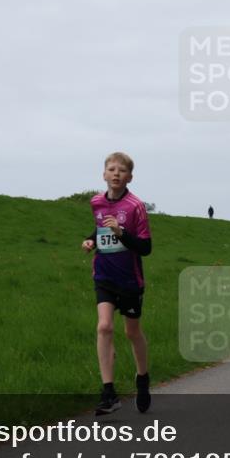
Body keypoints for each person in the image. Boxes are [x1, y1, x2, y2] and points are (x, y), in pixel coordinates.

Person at [81, 152, 153, 415]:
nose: (115, 174)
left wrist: (122, 234)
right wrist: (91, 240)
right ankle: (108, 392)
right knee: (104, 326)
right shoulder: (97, 202)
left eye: (121, 171)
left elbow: (146, 248)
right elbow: (100, 227)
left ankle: (142, 378)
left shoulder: (136, 207)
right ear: (103, 174)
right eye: (111, 169)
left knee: (131, 333)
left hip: (129, 279)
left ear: (129, 177)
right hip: (104, 275)